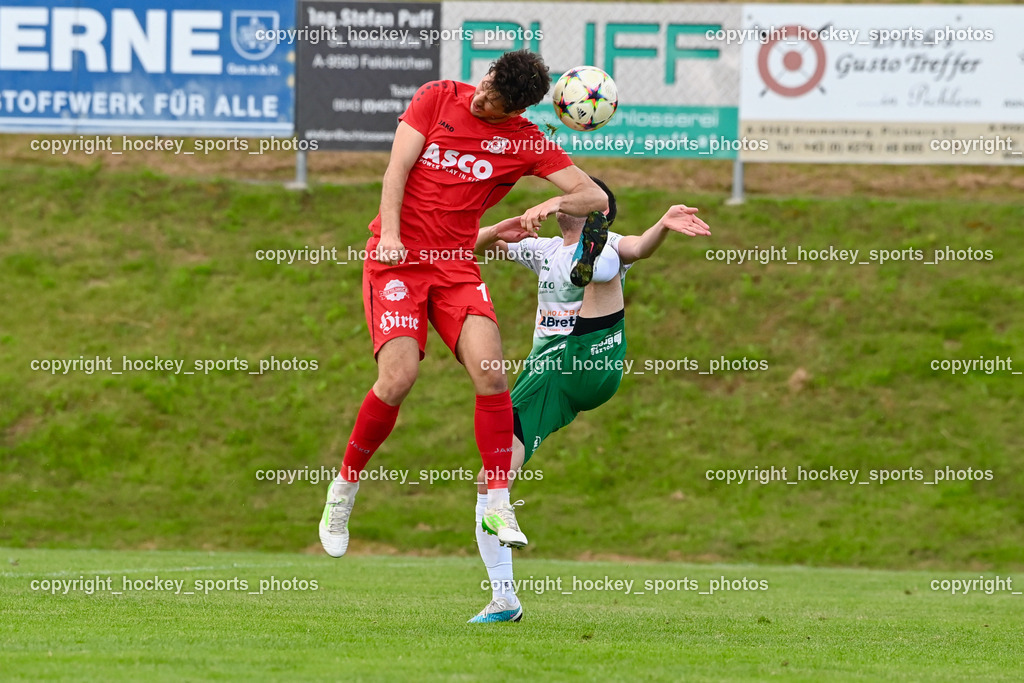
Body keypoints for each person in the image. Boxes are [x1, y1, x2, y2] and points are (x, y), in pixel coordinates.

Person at [318, 50, 609, 558]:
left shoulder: (525, 141)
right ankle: (344, 489)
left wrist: (553, 201)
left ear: (515, 110)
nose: (481, 99)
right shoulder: (437, 97)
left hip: (455, 266)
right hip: (397, 261)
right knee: (398, 378)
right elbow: (396, 169)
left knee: (492, 373)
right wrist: (390, 235)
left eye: (494, 101)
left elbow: (595, 198)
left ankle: (498, 500)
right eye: (486, 84)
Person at [466, 178, 711, 621]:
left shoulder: (614, 242)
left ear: (599, 213)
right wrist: (496, 230)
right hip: (549, 380)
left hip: (590, 361)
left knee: (609, 263)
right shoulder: (542, 250)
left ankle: (591, 264)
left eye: (577, 199)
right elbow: (472, 248)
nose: (564, 203)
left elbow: (640, 247)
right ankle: (504, 599)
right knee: (489, 478)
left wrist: (662, 224)